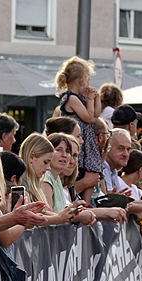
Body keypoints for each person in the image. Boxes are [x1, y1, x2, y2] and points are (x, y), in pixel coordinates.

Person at [55, 56, 102, 202]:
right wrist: (90, 99)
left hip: (86, 142)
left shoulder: (80, 98)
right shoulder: (71, 98)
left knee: (92, 168)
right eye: (87, 80)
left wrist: (96, 98)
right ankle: (79, 200)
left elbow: (96, 114)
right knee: (79, 170)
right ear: (82, 80)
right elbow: (88, 117)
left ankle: (86, 203)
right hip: (76, 140)